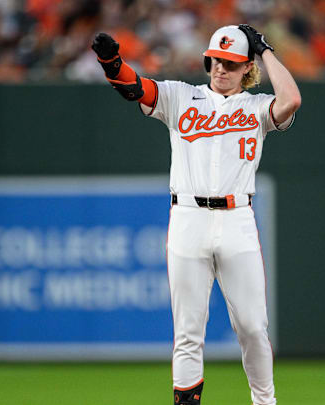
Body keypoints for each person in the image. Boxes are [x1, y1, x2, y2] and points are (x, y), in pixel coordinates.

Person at [92, 24, 300, 405]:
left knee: (254, 328)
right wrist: (111, 63)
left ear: (247, 69)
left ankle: (265, 401)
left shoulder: (256, 106)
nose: (221, 68)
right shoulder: (181, 96)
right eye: (215, 60)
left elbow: (291, 100)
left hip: (238, 220)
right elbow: (134, 86)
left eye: (231, 63)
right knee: (188, 330)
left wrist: (266, 49)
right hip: (188, 217)